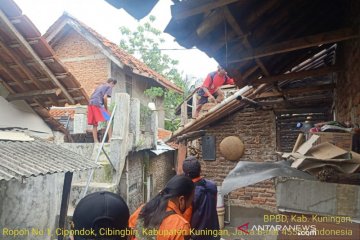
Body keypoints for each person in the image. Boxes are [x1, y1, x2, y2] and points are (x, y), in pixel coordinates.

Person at [129, 175, 195, 240]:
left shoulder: (142, 209)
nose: (190, 205)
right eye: (191, 201)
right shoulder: (180, 226)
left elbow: (129, 233)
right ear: (181, 200)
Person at [182, 156, 220, 240]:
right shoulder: (212, 185)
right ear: (200, 170)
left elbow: (186, 220)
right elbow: (213, 206)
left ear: (186, 174)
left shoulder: (188, 193)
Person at [87, 78, 117, 143]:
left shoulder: (100, 86)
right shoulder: (109, 86)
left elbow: (92, 94)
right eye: (113, 85)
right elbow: (105, 98)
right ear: (111, 83)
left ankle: (96, 141)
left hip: (90, 104)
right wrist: (106, 109)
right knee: (108, 118)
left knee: (94, 123)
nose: (112, 87)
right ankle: (110, 139)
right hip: (97, 103)